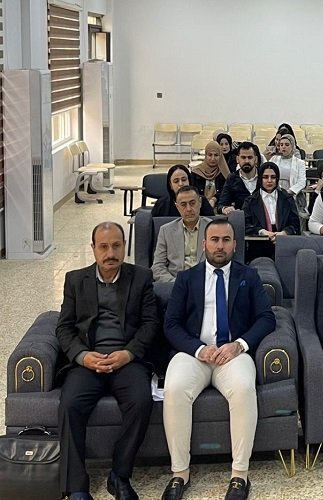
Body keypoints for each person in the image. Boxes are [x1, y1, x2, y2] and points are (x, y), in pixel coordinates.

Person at [161, 219, 275, 500]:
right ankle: (179, 473)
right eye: (214, 240)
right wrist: (198, 349)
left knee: (244, 389)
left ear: (235, 245)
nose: (220, 246)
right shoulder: (187, 278)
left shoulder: (249, 276)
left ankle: (239, 475)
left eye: (226, 240)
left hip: (232, 354)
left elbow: (266, 318)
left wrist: (239, 345)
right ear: (204, 244)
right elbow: (171, 324)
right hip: (194, 353)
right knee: (174, 389)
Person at [56, 222, 159, 499]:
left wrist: (129, 353)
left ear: (125, 247)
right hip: (88, 361)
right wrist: (83, 356)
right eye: (103, 247)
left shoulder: (141, 277)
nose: (110, 253)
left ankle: (119, 474)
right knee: (69, 405)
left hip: (127, 360)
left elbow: (150, 324)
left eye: (116, 246)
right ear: (93, 249)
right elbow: (64, 328)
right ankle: (76, 487)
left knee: (141, 401)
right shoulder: (75, 280)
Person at [152, 186, 211, 282]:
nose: (189, 209)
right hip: (175, 283)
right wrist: (175, 283)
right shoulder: (166, 231)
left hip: (206, 283)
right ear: (177, 207)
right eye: (183, 205)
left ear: (200, 203)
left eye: (192, 203)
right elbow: (157, 267)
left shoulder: (213, 228)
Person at [242, 162, 300, 260]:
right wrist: (262, 232)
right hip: (258, 246)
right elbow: (245, 225)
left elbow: (295, 223)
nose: (269, 181)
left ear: (277, 179)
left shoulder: (287, 199)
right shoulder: (250, 201)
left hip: (284, 245)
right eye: (265, 177)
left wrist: (284, 233)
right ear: (260, 179)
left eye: (273, 177)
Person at [218, 142, 260, 215]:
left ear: (256, 159)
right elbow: (221, 205)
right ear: (237, 159)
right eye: (243, 157)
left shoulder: (264, 176)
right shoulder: (232, 179)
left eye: (250, 157)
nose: (246, 161)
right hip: (241, 219)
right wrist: (225, 209)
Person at [191, 141, 231, 209]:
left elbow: (227, 193)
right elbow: (192, 192)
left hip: (220, 208)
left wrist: (214, 199)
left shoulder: (224, 173)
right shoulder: (196, 172)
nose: (213, 159)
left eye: (216, 155)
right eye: (210, 155)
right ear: (205, 155)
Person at [272, 134, 307, 201]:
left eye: (287, 145)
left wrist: (289, 192)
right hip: (274, 193)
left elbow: (302, 182)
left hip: (290, 195)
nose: (283, 147)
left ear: (292, 146)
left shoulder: (299, 163)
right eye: (281, 145)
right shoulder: (273, 159)